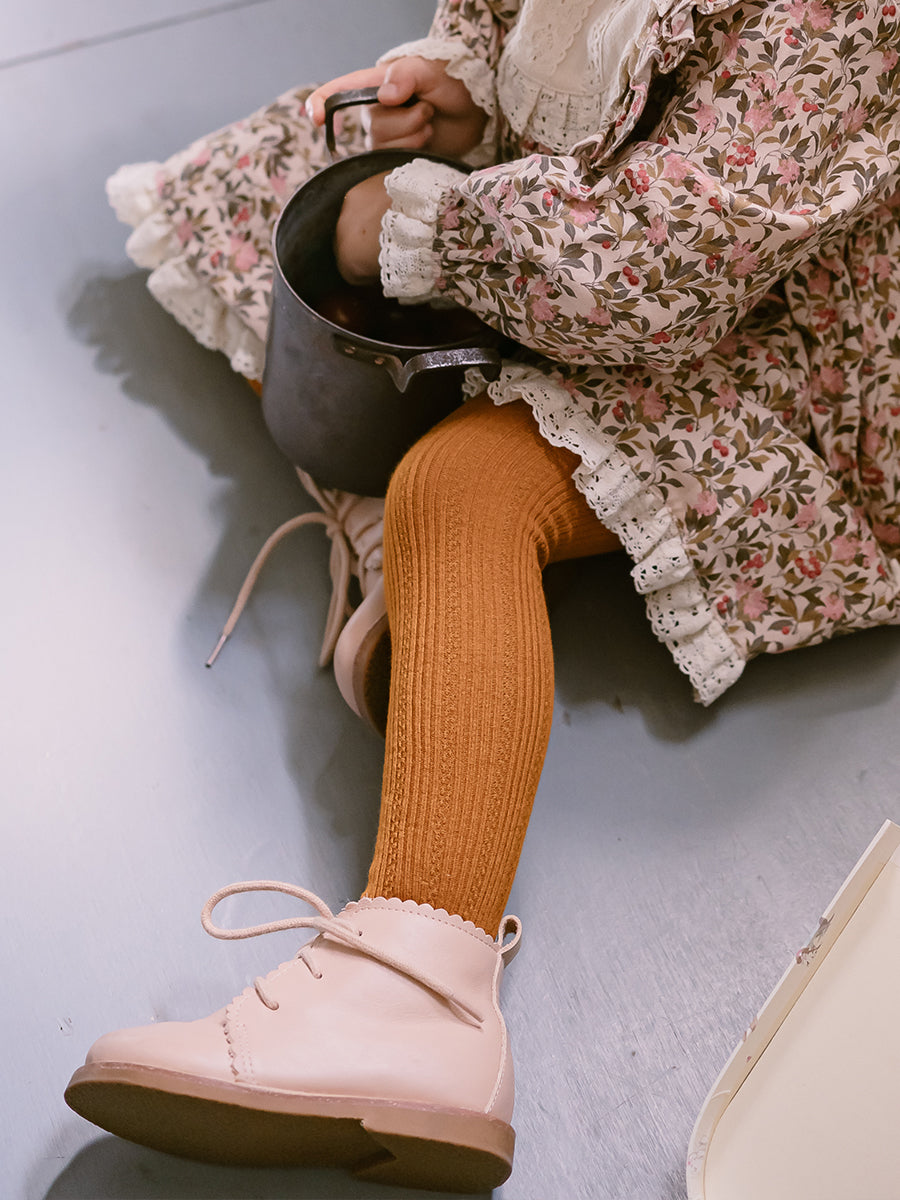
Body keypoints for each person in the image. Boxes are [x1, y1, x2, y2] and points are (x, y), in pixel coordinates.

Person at [65, 0, 900, 1191]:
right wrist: (467, 91)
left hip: (779, 340)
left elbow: (661, 262)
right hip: (592, 222)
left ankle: (425, 999)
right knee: (273, 181)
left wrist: (415, 235)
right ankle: (403, 549)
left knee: (459, 487)